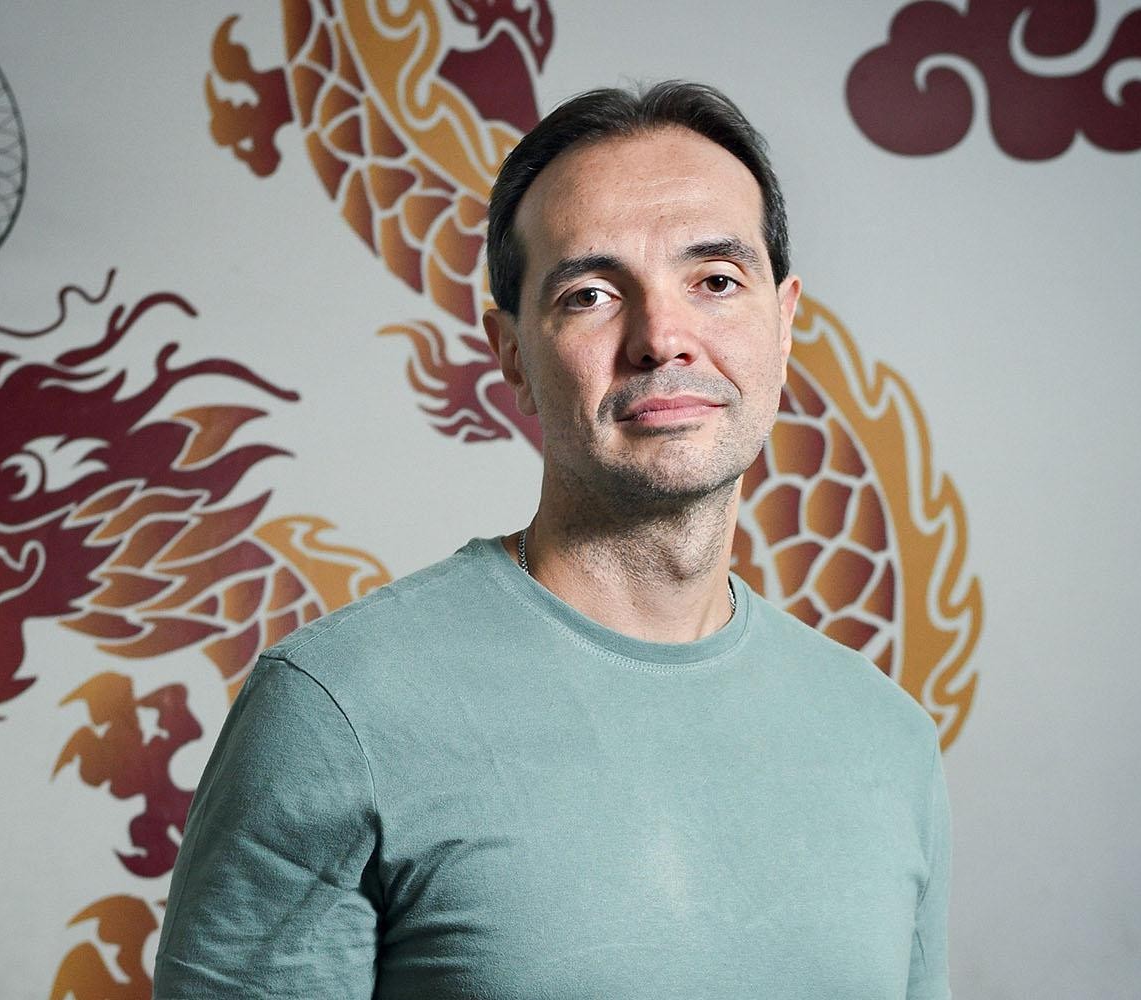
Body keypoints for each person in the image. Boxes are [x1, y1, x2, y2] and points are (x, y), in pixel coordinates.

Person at [153, 81, 951, 999]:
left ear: (784, 321)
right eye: (591, 294)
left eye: (716, 281)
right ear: (512, 356)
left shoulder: (887, 737)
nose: (662, 338)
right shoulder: (339, 710)